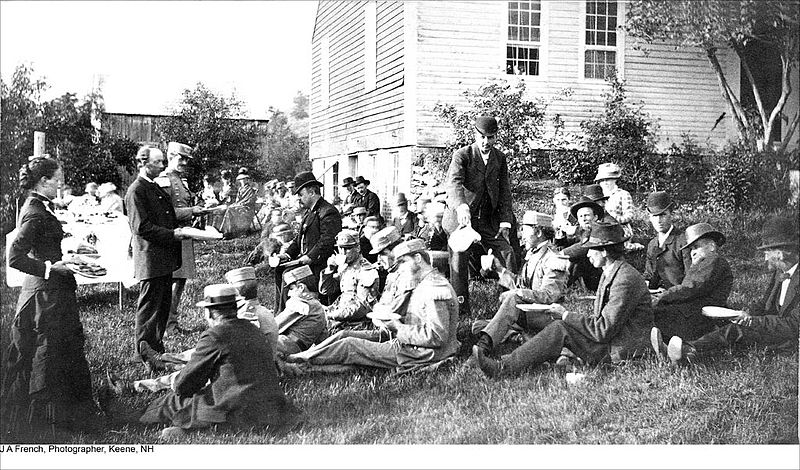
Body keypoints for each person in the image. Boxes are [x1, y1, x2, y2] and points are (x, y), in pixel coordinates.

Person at [99, 284, 304, 439]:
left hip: (237, 410)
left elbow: (183, 385)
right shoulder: (253, 330)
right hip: (273, 408)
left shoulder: (215, 335)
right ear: (235, 308)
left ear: (208, 312)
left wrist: (186, 386)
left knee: (174, 401)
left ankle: (126, 417)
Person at [472, 222, 653, 377]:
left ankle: (504, 368)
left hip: (618, 352)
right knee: (559, 327)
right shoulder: (614, 272)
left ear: (604, 251)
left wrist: (566, 315)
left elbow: (602, 330)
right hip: (611, 342)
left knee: (560, 327)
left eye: (591, 250)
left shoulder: (624, 279)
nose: (588, 255)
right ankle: (518, 357)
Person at [2, 157, 100, 434]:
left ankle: (65, 417)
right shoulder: (34, 211)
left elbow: (45, 239)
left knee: (58, 352)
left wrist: (66, 243)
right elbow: (15, 257)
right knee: (48, 354)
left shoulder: (39, 205)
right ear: (43, 181)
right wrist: (49, 267)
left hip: (52, 292)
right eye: (57, 179)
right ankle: (47, 423)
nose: (60, 184)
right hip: (45, 296)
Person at [286, 239, 460, 372]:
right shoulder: (426, 283)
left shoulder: (435, 289)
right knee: (347, 341)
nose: (401, 269)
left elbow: (437, 336)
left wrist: (398, 328)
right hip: (411, 344)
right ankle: (301, 360)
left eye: (403, 262)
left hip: (422, 353)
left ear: (418, 258)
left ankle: (299, 362)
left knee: (350, 346)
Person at [655, 216, 798, 366]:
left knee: (734, 332)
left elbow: (794, 325)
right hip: (770, 325)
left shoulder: (715, 261)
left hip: (787, 336)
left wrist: (753, 321)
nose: (764, 259)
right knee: (736, 329)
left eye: (766, 252)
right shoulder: (780, 273)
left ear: (780, 253)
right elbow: (764, 304)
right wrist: (748, 314)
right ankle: (680, 349)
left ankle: (689, 351)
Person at [124, 146, 188, 372]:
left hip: (162, 257)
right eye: (159, 162)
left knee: (162, 305)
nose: (163, 166)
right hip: (151, 257)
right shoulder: (136, 191)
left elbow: (166, 217)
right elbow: (142, 227)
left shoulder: (153, 186)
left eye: (163, 162)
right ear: (144, 163)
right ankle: (142, 352)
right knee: (150, 306)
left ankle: (156, 347)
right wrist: (173, 234)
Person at [445, 115, 516, 314]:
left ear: (496, 137)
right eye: (482, 137)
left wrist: (505, 221)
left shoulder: (500, 158)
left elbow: (504, 190)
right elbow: (454, 183)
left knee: (506, 252)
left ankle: (509, 303)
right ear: (475, 134)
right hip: (461, 218)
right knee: (458, 257)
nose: (486, 142)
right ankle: (460, 307)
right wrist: (461, 206)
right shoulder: (462, 155)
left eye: (491, 137)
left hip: (486, 219)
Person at [472, 211, 570, 354]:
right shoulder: (533, 254)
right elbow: (522, 284)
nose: (521, 234)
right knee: (477, 325)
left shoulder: (554, 258)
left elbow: (549, 296)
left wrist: (518, 293)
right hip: (529, 312)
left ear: (538, 232)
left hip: (546, 315)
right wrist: (499, 269)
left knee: (499, 315)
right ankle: (518, 335)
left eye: (524, 229)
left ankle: (484, 346)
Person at [650, 222, 733, 343]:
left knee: (657, 311)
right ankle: (662, 342)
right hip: (694, 310)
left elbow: (691, 288)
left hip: (702, 314)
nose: (692, 252)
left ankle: (663, 343)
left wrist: (663, 297)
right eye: (691, 249)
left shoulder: (714, 260)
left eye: (696, 247)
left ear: (711, 246)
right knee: (659, 311)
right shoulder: (701, 264)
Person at [275, 171, 342, 310]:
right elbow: (298, 240)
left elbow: (327, 242)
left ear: (312, 192)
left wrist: (309, 257)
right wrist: (286, 255)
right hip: (308, 263)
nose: (299, 198)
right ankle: (281, 312)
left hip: (320, 267)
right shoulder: (310, 212)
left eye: (301, 194)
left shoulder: (328, 211)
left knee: (288, 275)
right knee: (279, 270)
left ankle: (286, 314)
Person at [158, 142, 205, 336]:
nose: (184, 162)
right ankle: (167, 325)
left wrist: (198, 210)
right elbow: (164, 213)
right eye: (181, 158)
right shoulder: (163, 179)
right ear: (170, 156)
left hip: (184, 235)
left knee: (180, 280)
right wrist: (190, 211)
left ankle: (172, 322)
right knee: (171, 281)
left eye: (187, 159)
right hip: (171, 236)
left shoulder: (181, 181)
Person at [320, 230, 380, 328]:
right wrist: (329, 270)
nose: (343, 252)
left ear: (358, 248)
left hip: (358, 323)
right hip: (342, 316)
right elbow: (326, 290)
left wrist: (333, 315)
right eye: (340, 248)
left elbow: (362, 308)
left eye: (347, 249)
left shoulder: (366, 271)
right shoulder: (344, 267)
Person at [274, 265, 328, 357]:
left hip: (284, 345)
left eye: (291, 289)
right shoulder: (319, 307)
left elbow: (273, 326)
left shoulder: (299, 303)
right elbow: (322, 339)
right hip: (300, 349)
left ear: (301, 287)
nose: (289, 293)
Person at [643, 191, 691, 290]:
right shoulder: (652, 244)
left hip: (679, 297)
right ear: (650, 218)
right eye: (654, 216)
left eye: (663, 215)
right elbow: (649, 274)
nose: (659, 220)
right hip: (657, 296)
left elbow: (690, 278)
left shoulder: (683, 241)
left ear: (671, 215)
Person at [559, 196, 603, 291]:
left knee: (577, 258)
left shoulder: (600, 230)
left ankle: (563, 286)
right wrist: (561, 236)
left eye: (587, 215)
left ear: (595, 217)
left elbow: (585, 246)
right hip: (589, 272)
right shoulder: (582, 230)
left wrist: (562, 253)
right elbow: (572, 243)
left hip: (600, 273)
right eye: (581, 216)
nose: (584, 219)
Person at [595, 163, 634, 238]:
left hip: (619, 230)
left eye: (608, 179)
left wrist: (613, 219)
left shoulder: (623, 194)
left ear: (615, 179)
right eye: (602, 180)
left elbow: (629, 216)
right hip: (600, 230)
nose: (605, 182)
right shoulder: (597, 196)